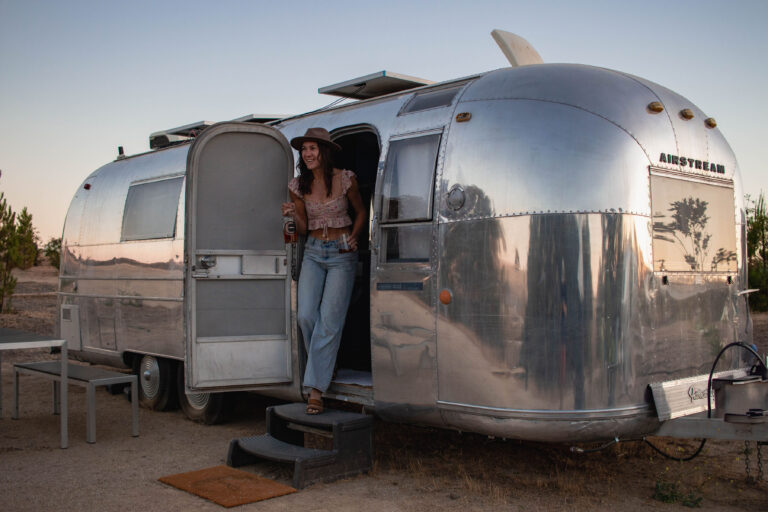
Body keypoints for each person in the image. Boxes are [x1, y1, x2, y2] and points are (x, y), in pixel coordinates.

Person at [281, 127, 365, 414]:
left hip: (342, 252)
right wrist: (293, 213)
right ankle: (326, 362)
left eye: (313, 148)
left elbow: (361, 211)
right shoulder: (297, 186)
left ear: (324, 151)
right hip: (314, 252)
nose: (307, 154)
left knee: (329, 322)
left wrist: (355, 235)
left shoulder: (345, 179)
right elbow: (303, 229)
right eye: (304, 149)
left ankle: (316, 390)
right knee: (305, 316)